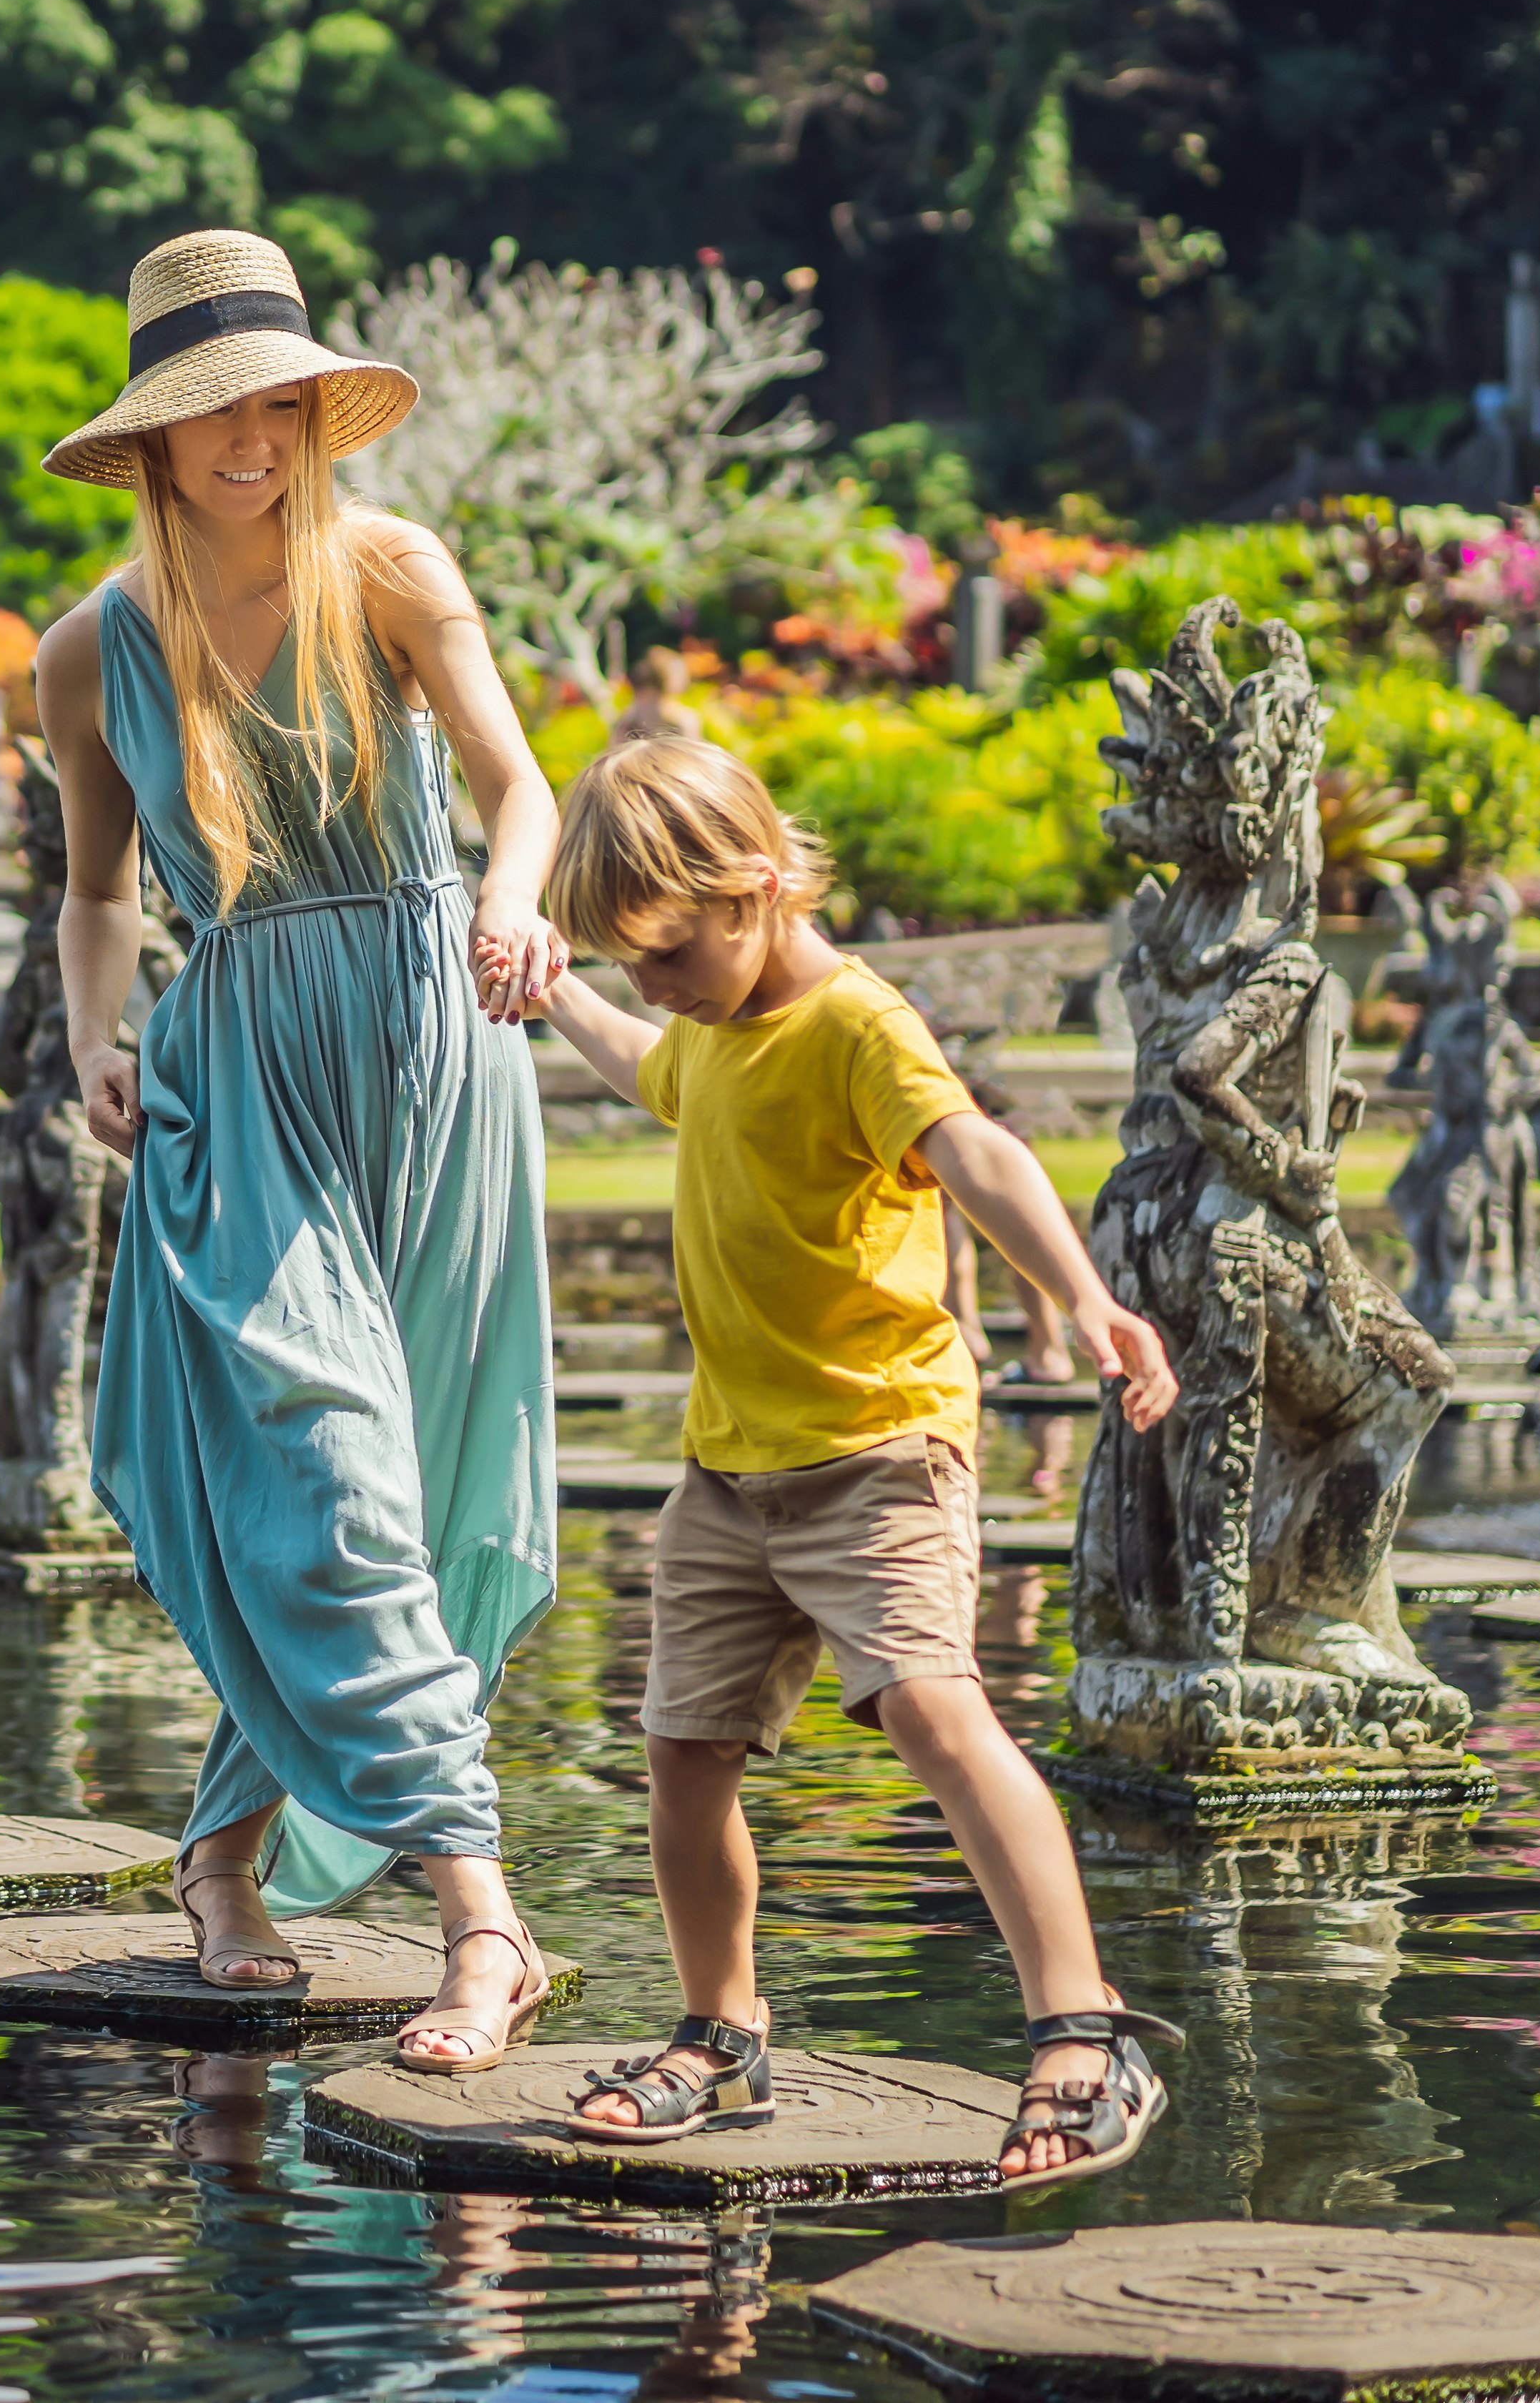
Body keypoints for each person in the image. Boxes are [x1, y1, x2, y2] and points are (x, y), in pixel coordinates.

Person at [29, 228, 569, 2073]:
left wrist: (516, 905)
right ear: (155, 445)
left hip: (438, 1044)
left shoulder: (392, 568)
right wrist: (96, 1038)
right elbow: (99, 896)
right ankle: (486, 1928)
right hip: (244, 1069)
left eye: (275, 406)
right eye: (211, 417)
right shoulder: (89, 649)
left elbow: (523, 786)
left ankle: (220, 1859)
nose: (249, 442)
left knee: (391, 1501)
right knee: (326, 1472)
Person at [529, 737, 1187, 2183]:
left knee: (931, 1711)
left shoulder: (855, 1022)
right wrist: (556, 987)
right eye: (628, 960)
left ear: (761, 885)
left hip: (878, 1446)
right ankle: (721, 2030)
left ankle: (1085, 2031)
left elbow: (981, 1151)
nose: (658, 982)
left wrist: (1085, 1297)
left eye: (670, 949)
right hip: (728, 1468)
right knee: (682, 1752)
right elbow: (657, 1071)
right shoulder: (705, 1025)